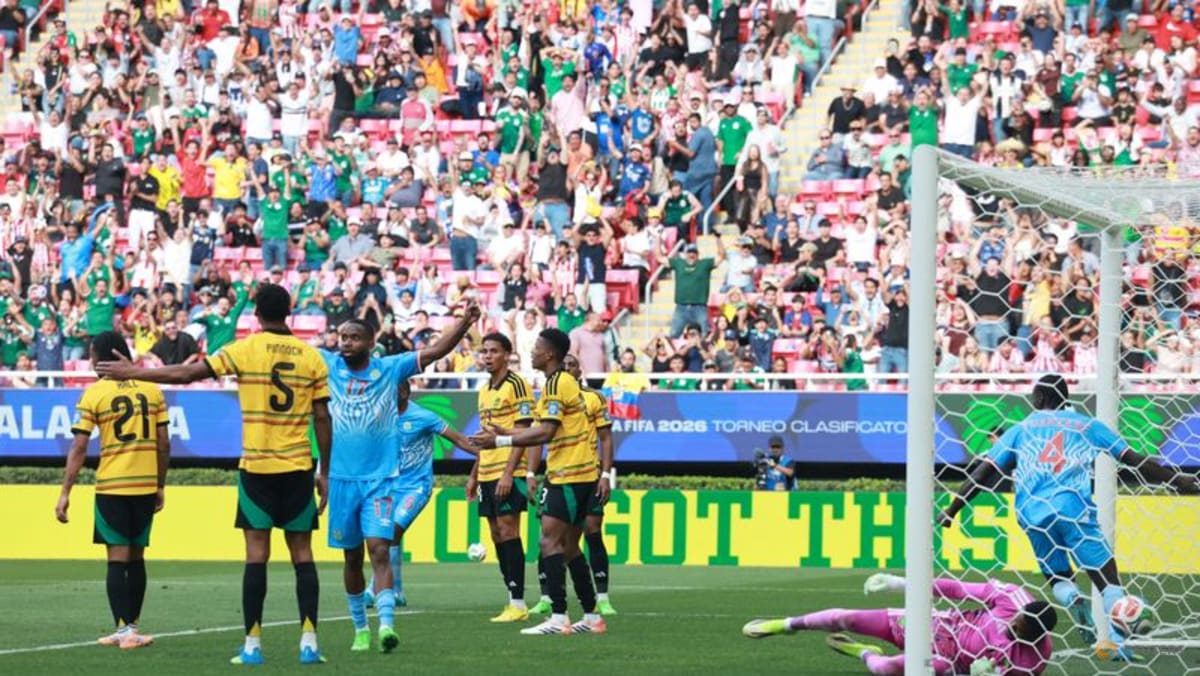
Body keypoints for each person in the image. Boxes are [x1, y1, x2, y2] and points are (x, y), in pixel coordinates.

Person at [96, 284, 333, 666]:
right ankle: (309, 642)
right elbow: (322, 417)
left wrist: (136, 372)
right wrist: (325, 472)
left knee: (256, 556)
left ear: (256, 314)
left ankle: (252, 646)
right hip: (298, 466)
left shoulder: (244, 349)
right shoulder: (312, 358)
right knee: (302, 555)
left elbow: (189, 373)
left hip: (257, 468)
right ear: (289, 312)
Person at [939, 374, 1200, 661]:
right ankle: (1118, 644)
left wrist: (953, 509)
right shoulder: (1088, 425)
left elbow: (983, 472)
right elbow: (1133, 459)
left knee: (1057, 576)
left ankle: (1073, 597)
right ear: (1065, 398)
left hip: (1032, 514)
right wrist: (1178, 480)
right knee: (1107, 581)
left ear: (1038, 398)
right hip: (1073, 509)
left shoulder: (1020, 429)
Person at [323, 304, 481, 652]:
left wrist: (464, 323)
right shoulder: (328, 364)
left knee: (380, 548)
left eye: (354, 337)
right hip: (341, 480)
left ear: (371, 343)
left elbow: (436, 351)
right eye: (342, 337)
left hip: (382, 482)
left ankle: (386, 627)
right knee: (352, 558)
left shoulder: (390, 369)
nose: (345, 342)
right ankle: (360, 629)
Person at [472, 328, 611, 636]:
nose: (532, 352)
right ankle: (592, 616)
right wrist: (506, 434)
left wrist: (501, 440)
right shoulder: (556, 382)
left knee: (549, 542)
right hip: (576, 473)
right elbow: (541, 429)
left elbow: (546, 432)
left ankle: (559, 617)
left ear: (548, 354)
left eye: (536, 348)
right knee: (570, 546)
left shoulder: (557, 383)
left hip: (569, 474)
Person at [55, 331, 170, 650]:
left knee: (117, 558)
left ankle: (123, 631)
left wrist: (65, 491)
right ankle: (131, 628)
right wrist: (160, 484)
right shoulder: (152, 389)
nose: (91, 361)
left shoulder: (95, 394)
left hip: (112, 485)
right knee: (137, 555)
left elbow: (79, 447)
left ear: (104, 357)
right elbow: (164, 443)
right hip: (144, 484)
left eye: (92, 355)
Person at [743, 574, 1057, 676]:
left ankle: (864, 653)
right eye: (1015, 620)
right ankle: (786, 624)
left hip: (946, 663)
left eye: (1017, 630)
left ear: (1035, 637)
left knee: (886, 669)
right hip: (936, 626)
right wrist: (900, 583)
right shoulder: (1012, 598)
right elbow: (955, 588)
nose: (1010, 626)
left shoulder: (1032, 663)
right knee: (846, 618)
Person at [468, 332, 537, 623]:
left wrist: (509, 473)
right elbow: (485, 437)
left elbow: (523, 432)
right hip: (486, 470)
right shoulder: (484, 390)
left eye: (494, 351)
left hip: (508, 470)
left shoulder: (518, 385)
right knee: (497, 534)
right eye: (484, 351)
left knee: (509, 531)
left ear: (507, 355)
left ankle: (518, 602)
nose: (487, 356)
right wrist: (474, 474)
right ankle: (511, 598)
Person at [556, 354, 617, 616]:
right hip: (559, 476)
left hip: (590, 476)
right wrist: (532, 473)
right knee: (554, 537)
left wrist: (605, 475)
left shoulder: (594, 398)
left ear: (579, 371)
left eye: (571, 365)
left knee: (592, 530)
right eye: (563, 365)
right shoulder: (552, 396)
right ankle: (550, 598)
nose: (567, 369)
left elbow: (606, 438)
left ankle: (602, 597)